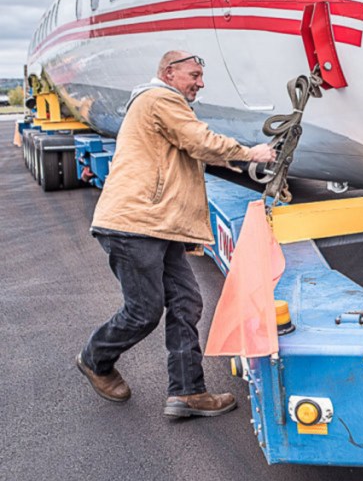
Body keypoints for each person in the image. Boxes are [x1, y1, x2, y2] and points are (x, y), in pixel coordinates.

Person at [76, 50, 276, 417]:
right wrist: (251, 153)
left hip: (159, 225)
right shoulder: (159, 99)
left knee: (186, 302)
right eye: (194, 75)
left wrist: (234, 157)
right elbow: (198, 140)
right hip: (134, 224)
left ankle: (187, 392)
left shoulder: (163, 105)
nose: (200, 83)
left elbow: (194, 148)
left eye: (200, 76)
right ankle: (94, 358)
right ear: (169, 73)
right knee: (143, 312)